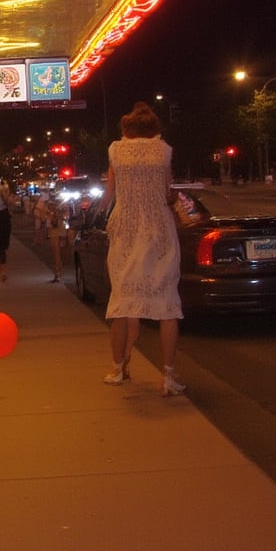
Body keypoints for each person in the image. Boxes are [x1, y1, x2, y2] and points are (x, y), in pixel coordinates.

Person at [102, 101, 186, 396]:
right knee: (167, 306)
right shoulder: (164, 151)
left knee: (122, 302)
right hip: (158, 229)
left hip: (126, 228)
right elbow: (167, 191)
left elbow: (110, 193)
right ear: (154, 129)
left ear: (127, 128)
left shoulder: (115, 151)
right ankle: (168, 376)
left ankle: (116, 368)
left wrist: (101, 214)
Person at [45, 197, 69, 282]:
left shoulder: (53, 211)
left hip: (55, 233)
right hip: (60, 232)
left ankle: (58, 272)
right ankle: (58, 271)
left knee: (57, 253)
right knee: (59, 253)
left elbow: (49, 223)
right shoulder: (62, 208)